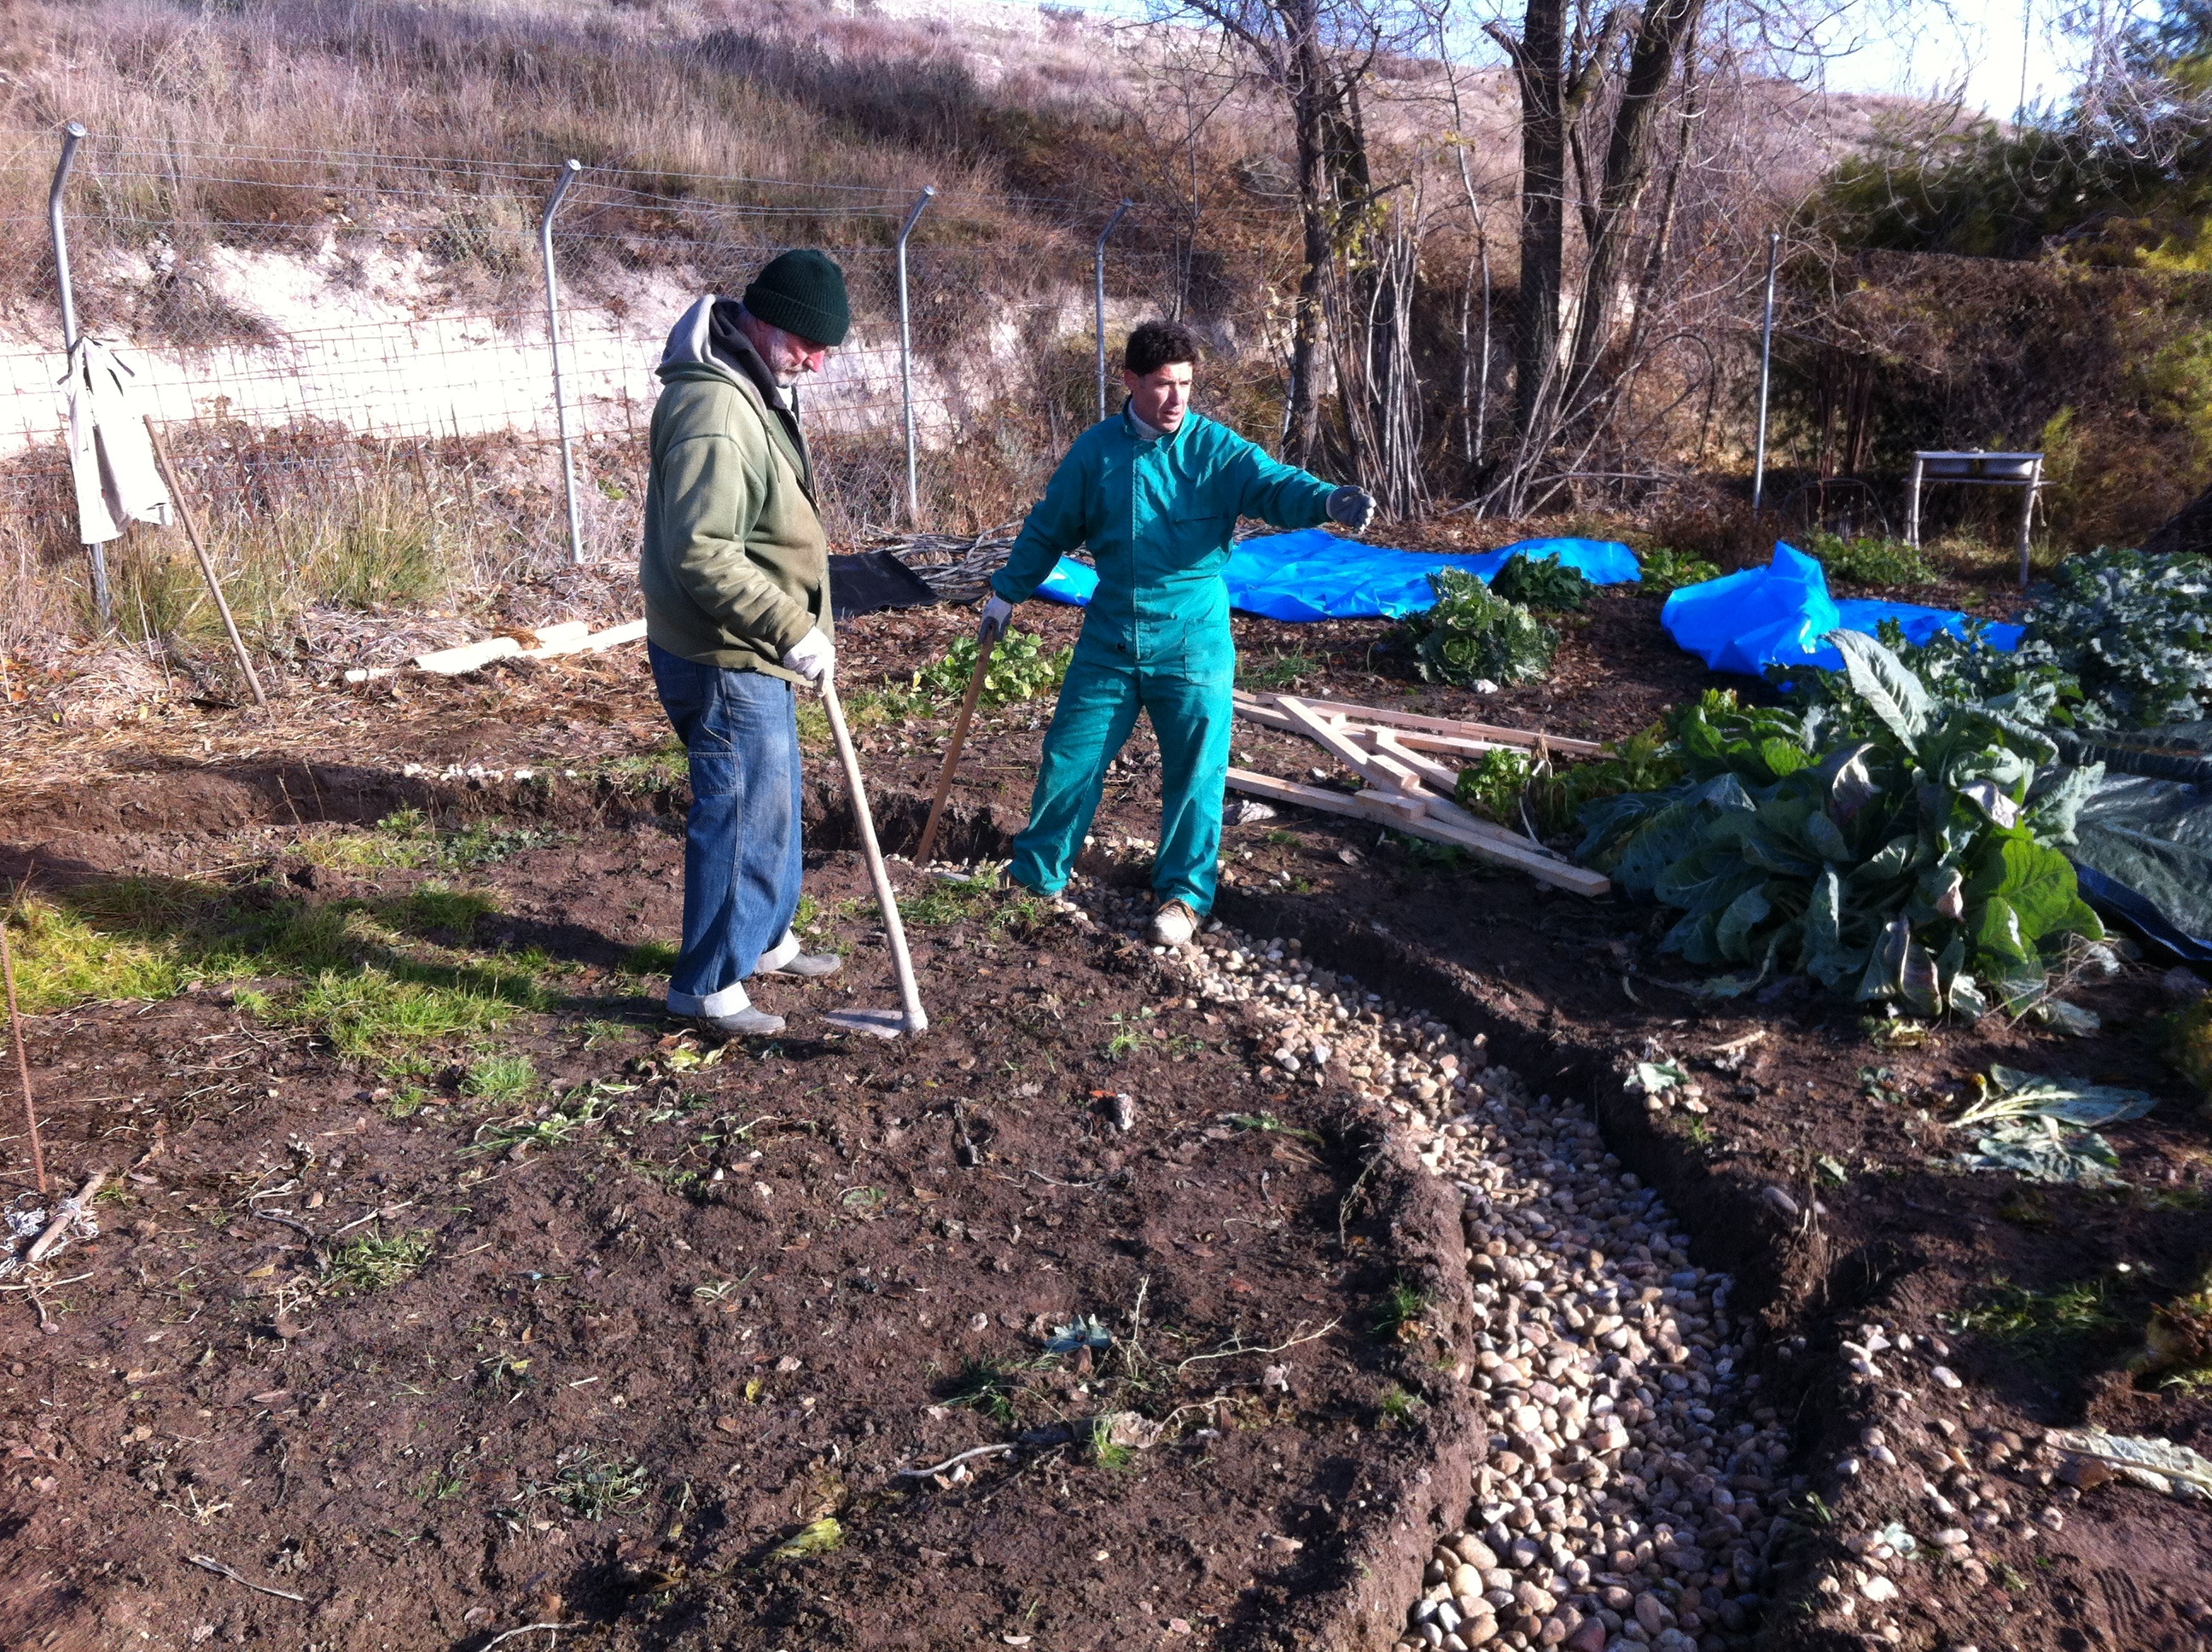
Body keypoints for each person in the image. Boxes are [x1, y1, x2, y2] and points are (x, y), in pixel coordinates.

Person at [979, 319, 1376, 946]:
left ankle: (1184, 898)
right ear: (1131, 381)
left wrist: (1327, 501)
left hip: (1193, 637)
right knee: (1071, 757)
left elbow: (1273, 484)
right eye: (1164, 384)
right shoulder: (1096, 453)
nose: (1176, 399)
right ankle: (1036, 877)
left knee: (1196, 771)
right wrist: (1007, 592)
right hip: (1112, 633)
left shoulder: (1215, 450)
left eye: (1186, 384)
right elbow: (1049, 526)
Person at [637, 250, 853, 1038]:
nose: (816, 362)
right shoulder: (716, 410)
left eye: (826, 348)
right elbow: (702, 552)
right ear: (762, 321)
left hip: (755, 645)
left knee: (774, 797)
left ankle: (762, 937)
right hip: (724, 650)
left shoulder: (755, 384)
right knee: (739, 811)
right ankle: (706, 986)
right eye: (805, 343)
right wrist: (791, 627)